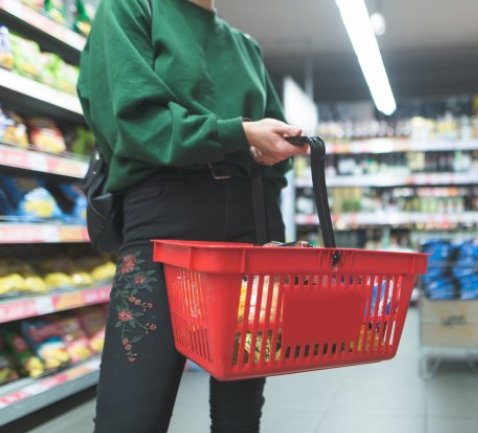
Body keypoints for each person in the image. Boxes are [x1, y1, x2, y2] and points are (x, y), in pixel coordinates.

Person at [76, 0, 307, 432]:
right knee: (130, 413)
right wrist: (236, 133)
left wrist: (277, 150)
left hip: (251, 226)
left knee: (240, 413)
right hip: (166, 219)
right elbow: (133, 125)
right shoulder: (131, 8)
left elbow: (278, 152)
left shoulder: (245, 46)